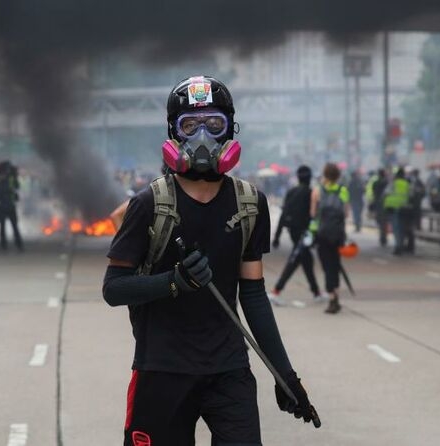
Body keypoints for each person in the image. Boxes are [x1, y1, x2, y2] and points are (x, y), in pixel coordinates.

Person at [103, 76, 319, 445]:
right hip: (161, 371)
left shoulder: (250, 203)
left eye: (214, 124)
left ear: (230, 130)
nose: (202, 135)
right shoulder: (148, 204)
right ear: (173, 133)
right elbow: (114, 289)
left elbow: (253, 296)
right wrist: (173, 282)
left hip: (229, 373)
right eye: (189, 125)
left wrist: (286, 376)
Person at [270, 165, 322, 302]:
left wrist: (277, 236)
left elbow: (283, 214)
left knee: (306, 261)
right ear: (310, 178)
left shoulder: (291, 192)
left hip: (293, 232)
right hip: (304, 234)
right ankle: (276, 291)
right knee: (294, 261)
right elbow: (314, 216)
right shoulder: (311, 193)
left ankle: (316, 293)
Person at [310, 163, 350, 314]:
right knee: (335, 264)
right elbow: (346, 214)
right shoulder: (343, 190)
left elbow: (313, 214)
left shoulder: (317, 191)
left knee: (327, 266)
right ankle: (336, 295)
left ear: (325, 175)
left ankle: (331, 296)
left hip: (322, 234)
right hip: (338, 234)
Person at [0, 160, 23, 251]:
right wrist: (13, 176)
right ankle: (18, 245)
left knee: (6, 226)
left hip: (4, 204)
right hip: (8, 205)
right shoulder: (5, 178)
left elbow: (16, 186)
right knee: (13, 226)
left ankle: (5, 245)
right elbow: (16, 186)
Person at [383, 167, 410, 256]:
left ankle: (398, 247)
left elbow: (385, 193)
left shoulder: (393, 183)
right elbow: (411, 195)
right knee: (402, 229)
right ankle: (401, 245)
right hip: (404, 209)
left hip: (393, 208)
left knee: (396, 229)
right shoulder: (407, 184)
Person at [367, 168, 388, 246]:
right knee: (384, 222)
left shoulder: (375, 183)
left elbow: (373, 194)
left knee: (380, 221)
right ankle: (383, 236)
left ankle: (383, 236)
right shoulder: (387, 182)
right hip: (386, 204)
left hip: (378, 205)